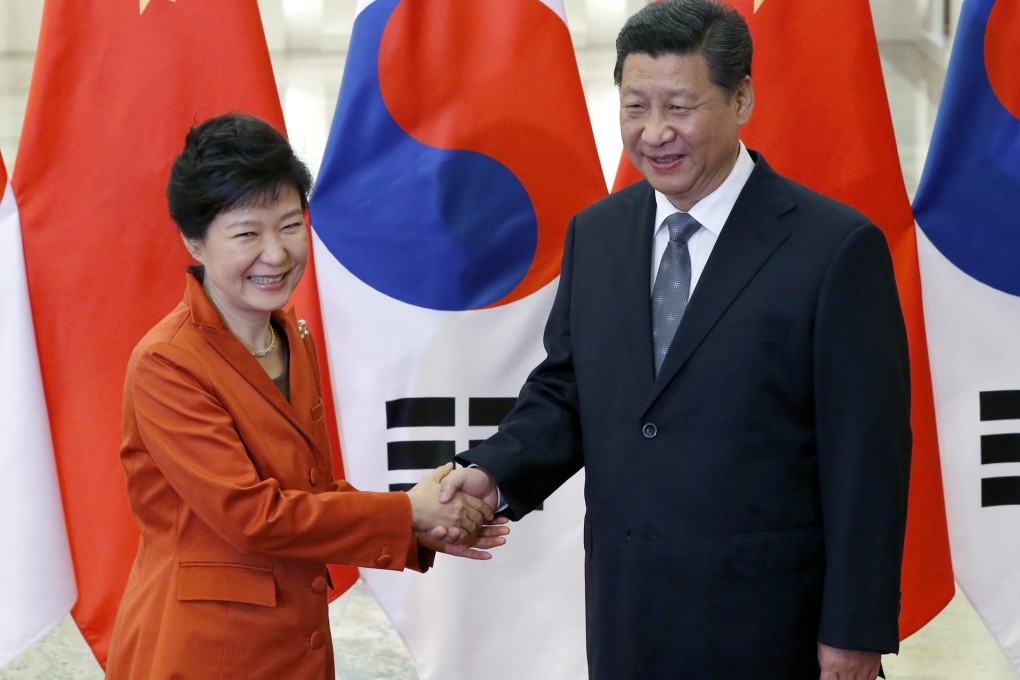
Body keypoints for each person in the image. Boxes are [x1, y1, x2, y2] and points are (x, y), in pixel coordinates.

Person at [439, 1, 911, 678]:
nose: (654, 133)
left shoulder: (834, 249)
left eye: (679, 107)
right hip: (630, 618)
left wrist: (854, 630)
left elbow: (869, 460)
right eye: (635, 106)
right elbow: (568, 392)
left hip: (773, 626)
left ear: (741, 96)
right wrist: (491, 475)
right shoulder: (598, 234)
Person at [105, 113, 507, 679]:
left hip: (293, 644)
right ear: (194, 241)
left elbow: (308, 493)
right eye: (247, 233)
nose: (276, 253)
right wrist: (403, 512)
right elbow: (254, 516)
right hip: (203, 651)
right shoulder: (167, 362)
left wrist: (418, 523)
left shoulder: (290, 335)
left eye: (290, 225)